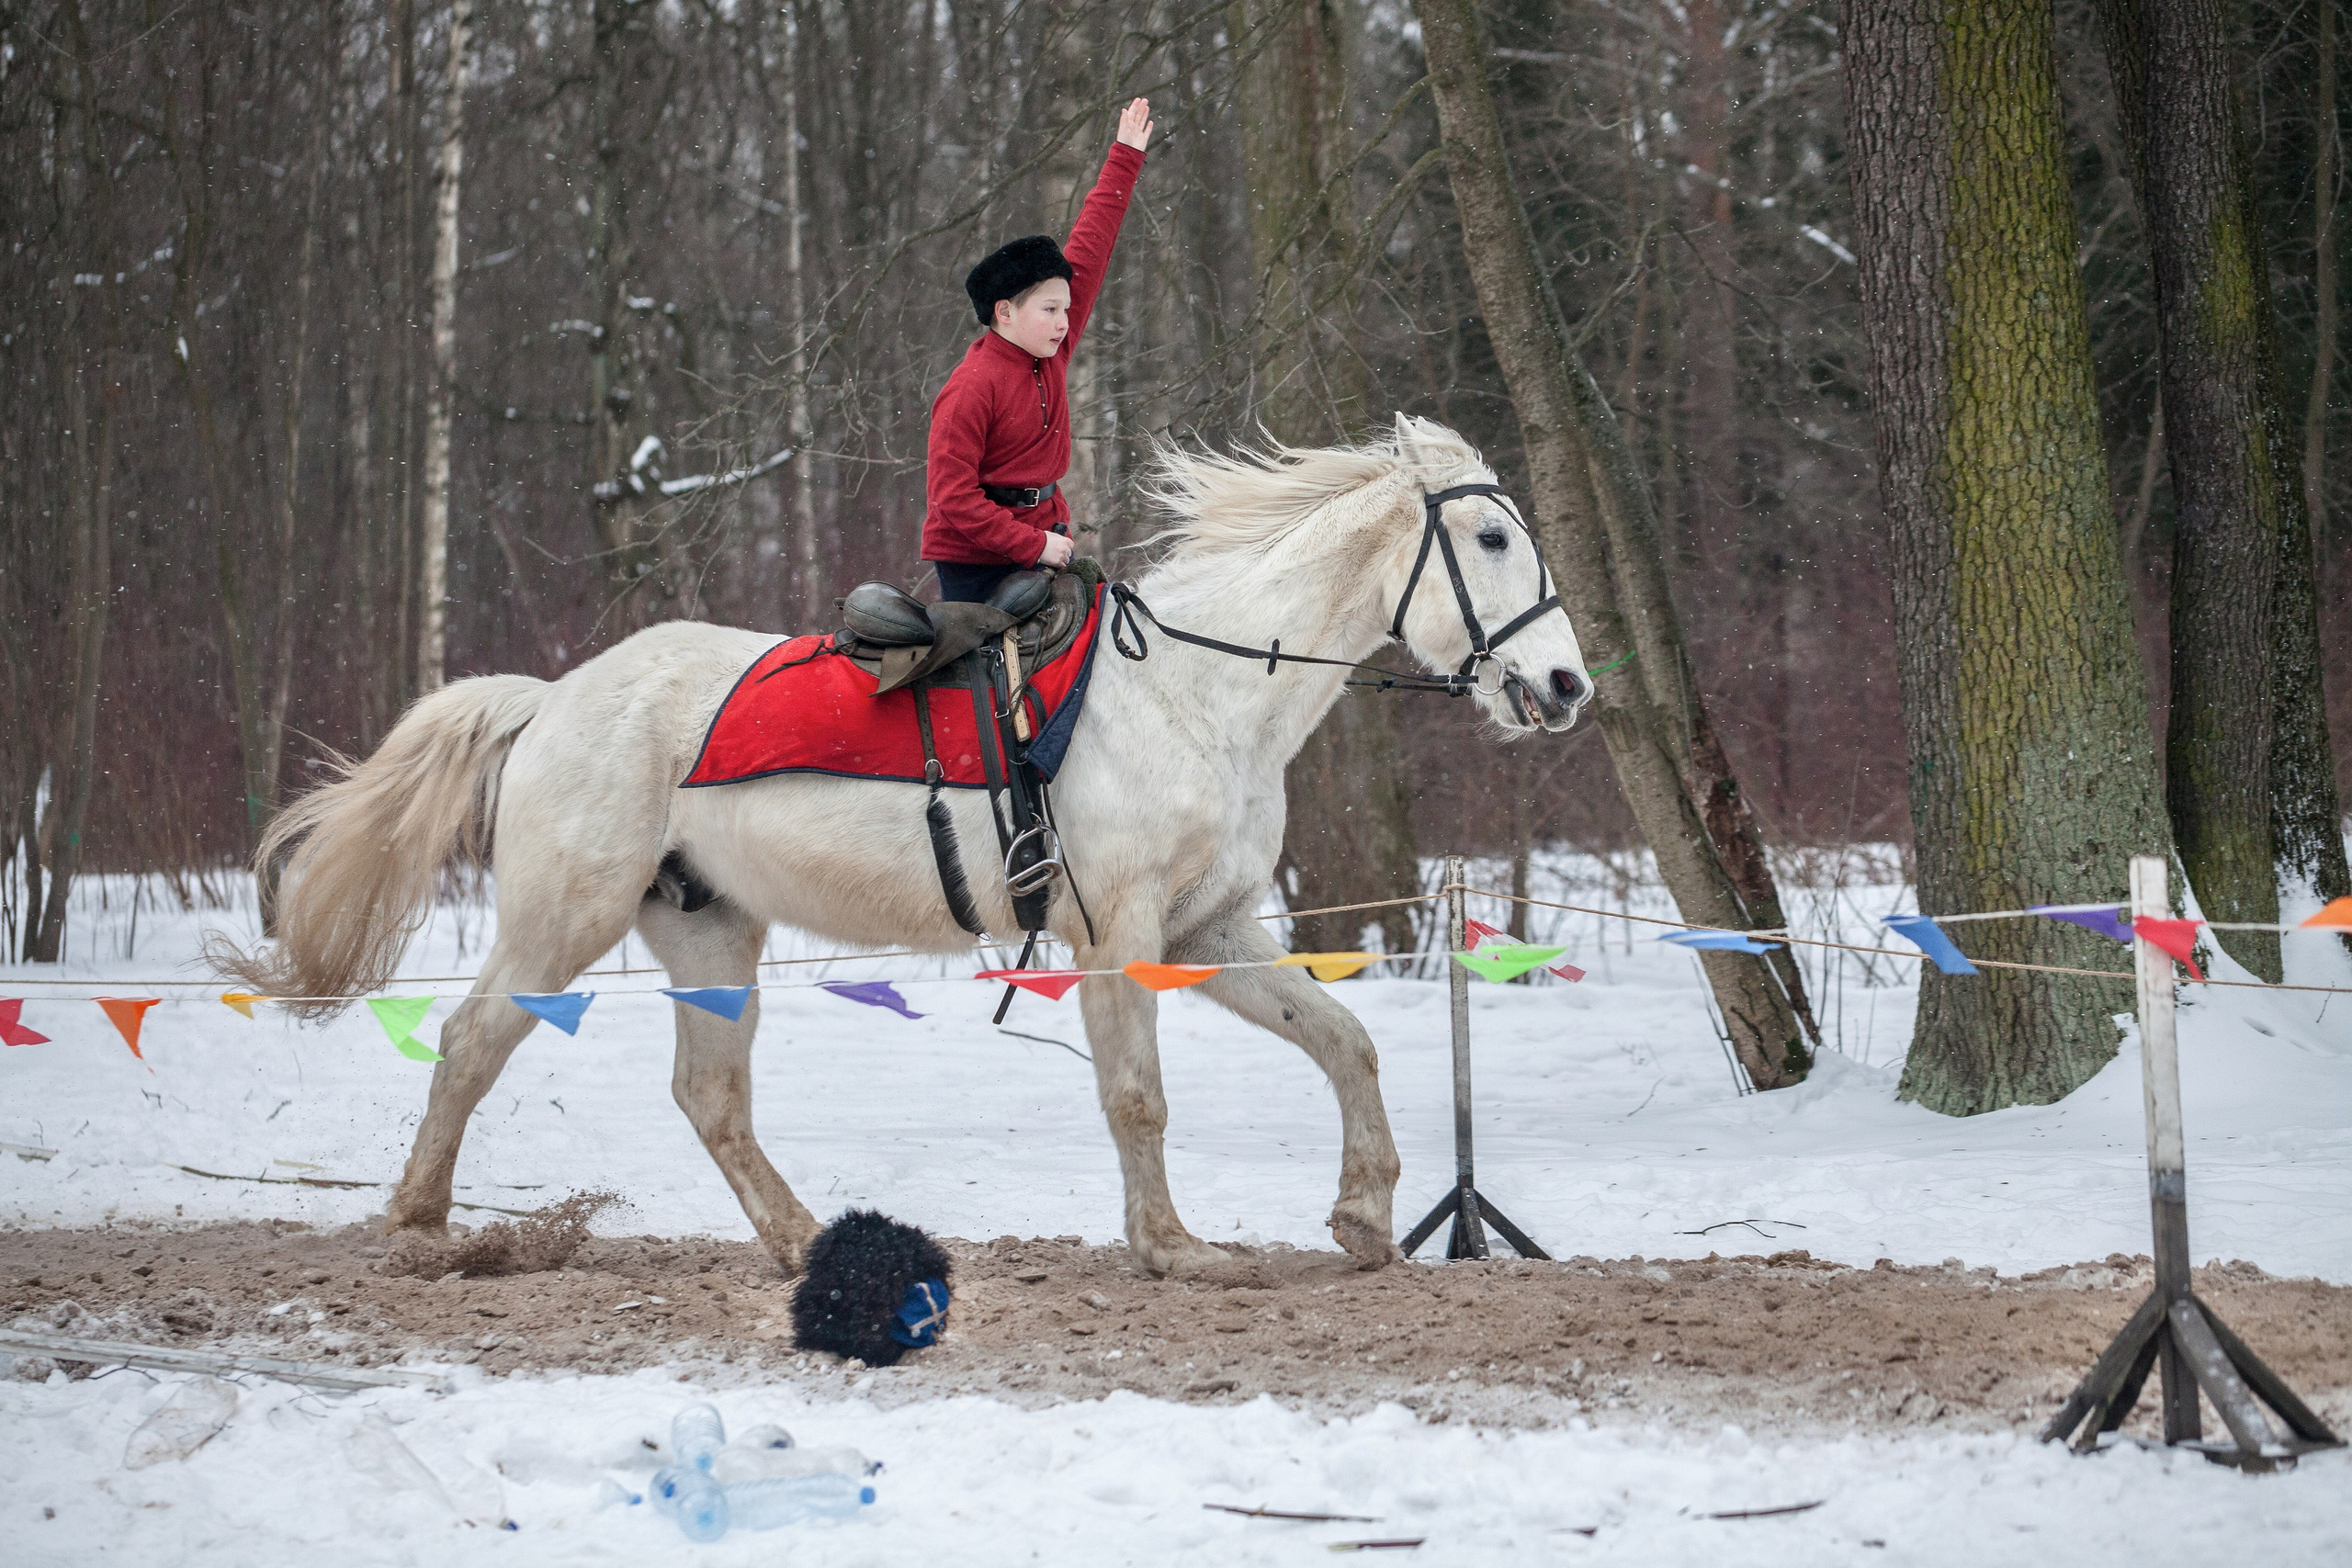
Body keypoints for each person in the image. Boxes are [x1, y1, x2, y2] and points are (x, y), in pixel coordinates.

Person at [922, 97, 1153, 604]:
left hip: (1047, 541)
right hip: (977, 564)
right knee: (1006, 681)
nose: (1063, 322)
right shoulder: (971, 387)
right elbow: (951, 496)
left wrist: (1125, 157)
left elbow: (1091, 246)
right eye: (1049, 310)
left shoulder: (1053, 351)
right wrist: (1030, 546)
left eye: (1066, 309)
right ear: (1004, 312)